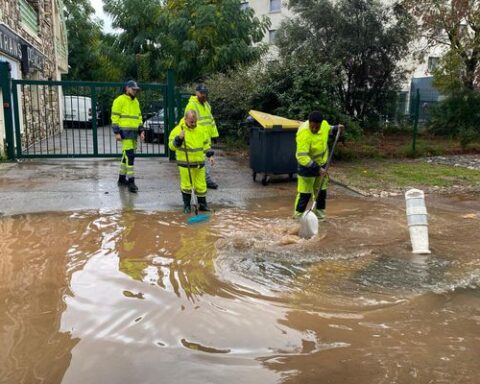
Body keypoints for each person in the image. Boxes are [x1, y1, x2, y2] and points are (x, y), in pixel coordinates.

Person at [293, 111, 344, 221]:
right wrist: (317, 169)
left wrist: (337, 128)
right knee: (304, 195)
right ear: (309, 123)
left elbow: (329, 129)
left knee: (321, 193)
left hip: (322, 164)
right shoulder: (303, 133)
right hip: (306, 167)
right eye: (313, 127)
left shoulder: (324, 125)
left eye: (317, 127)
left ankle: (321, 218)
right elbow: (302, 157)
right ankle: (297, 219)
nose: (315, 129)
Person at [168, 110, 215, 213]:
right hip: (185, 164)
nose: (193, 124)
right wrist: (179, 139)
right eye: (191, 122)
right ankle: (187, 206)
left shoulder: (201, 129)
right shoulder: (177, 130)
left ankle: (202, 205)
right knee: (187, 186)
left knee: (201, 185)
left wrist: (210, 155)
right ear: (185, 119)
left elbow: (206, 144)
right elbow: (171, 146)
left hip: (199, 163)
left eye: (195, 121)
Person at [111, 80, 144, 193]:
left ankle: (121, 179)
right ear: (127, 88)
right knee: (130, 157)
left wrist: (141, 131)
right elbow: (115, 118)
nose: (135, 91)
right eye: (133, 89)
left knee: (126, 157)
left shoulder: (136, 102)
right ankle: (131, 182)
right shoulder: (119, 101)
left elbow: (139, 117)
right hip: (124, 135)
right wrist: (116, 132)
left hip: (133, 134)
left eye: (136, 90)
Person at [184, 83, 219, 189]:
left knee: (205, 160)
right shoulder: (191, 105)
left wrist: (214, 134)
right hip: (197, 138)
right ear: (196, 93)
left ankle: (203, 179)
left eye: (205, 93)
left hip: (206, 138)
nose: (203, 95)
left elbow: (211, 120)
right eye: (201, 93)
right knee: (201, 160)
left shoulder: (207, 105)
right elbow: (188, 122)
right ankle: (205, 180)